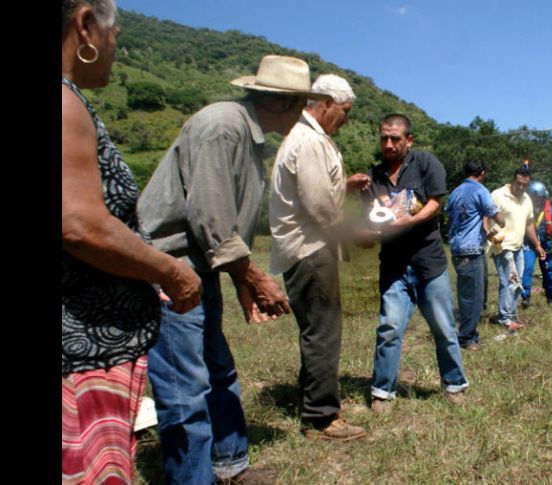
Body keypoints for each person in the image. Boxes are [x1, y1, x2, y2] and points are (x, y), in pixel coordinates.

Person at [137, 55, 325, 485]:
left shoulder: (248, 135)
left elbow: (222, 225)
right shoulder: (222, 126)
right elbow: (211, 218)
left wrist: (241, 279)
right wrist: (254, 278)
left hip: (198, 268)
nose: (303, 113)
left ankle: (229, 465)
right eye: (301, 104)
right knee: (186, 387)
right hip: (168, 267)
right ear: (284, 101)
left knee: (216, 369)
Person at [62, 1, 203, 483]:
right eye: (116, 34)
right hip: (80, 356)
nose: (116, 47)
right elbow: (80, 224)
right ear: (85, 24)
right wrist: (171, 270)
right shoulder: (63, 101)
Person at [269, 74, 375, 440]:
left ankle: (314, 401)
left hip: (306, 248)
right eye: (344, 112)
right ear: (326, 103)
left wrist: (343, 184)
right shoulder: (310, 140)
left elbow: (312, 192)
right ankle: (320, 416)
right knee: (323, 332)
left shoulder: (308, 138)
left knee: (318, 329)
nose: (346, 119)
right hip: (311, 249)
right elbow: (319, 208)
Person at [363, 114, 469, 413]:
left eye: (395, 138)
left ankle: (454, 385)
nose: (389, 143)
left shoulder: (425, 164)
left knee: (444, 328)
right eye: (384, 137)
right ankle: (382, 392)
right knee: (390, 327)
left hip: (428, 262)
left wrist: (409, 220)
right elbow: (373, 215)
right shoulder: (374, 178)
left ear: (408, 140)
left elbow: (436, 203)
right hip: (394, 265)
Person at [446, 160, 504, 350]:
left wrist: (483, 231)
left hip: (456, 248)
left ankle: (467, 332)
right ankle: (467, 338)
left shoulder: (455, 192)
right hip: (471, 250)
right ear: (482, 173)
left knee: (465, 294)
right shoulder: (480, 190)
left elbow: (461, 218)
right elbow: (497, 217)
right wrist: (501, 221)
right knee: (475, 296)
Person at [489, 167, 546, 330]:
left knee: (518, 282)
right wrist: (488, 234)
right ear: (513, 180)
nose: (521, 187)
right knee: (509, 280)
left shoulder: (526, 199)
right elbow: (486, 216)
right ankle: (505, 318)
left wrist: (537, 245)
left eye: (524, 185)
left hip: (518, 246)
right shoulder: (498, 195)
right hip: (502, 245)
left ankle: (511, 314)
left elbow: (529, 224)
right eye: (519, 183)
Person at [520, 181, 552, 308]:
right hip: (529, 244)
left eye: (539, 198)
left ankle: (550, 297)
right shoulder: (525, 209)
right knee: (527, 270)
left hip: (545, 245)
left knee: (548, 271)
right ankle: (525, 298)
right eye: (535, 198)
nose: (537, 201)